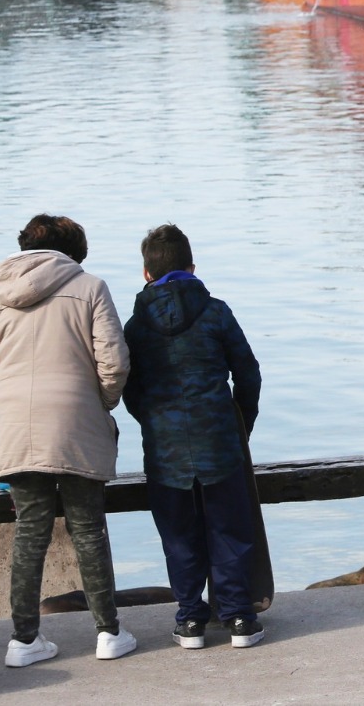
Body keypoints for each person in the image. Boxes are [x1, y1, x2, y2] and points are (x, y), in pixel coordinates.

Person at [0, 214, 137, 667]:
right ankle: (108, 633)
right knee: (88, 529)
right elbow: (115, 363)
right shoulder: (90, 287)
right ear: (72, 252)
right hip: (77, 428)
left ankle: (24, 642)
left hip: (19, 433)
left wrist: (12, 407)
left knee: (29, 534)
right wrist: (98, 402)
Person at [121, 224, 265, 650]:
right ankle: (239, 618)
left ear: (146, 273)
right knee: (230, 528)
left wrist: (151, 421)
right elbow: (248, 372)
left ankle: (190, 621)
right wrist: (242, 422)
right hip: (218, 438)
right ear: (192, 268)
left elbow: (129, 386)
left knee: (178, 533)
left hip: (165, 448)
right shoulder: (216, 311)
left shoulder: (135, 325)